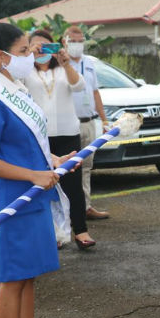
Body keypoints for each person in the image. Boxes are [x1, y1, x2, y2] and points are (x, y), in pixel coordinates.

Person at [0, 23, 76, 318]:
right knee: (12, 282)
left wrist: (53, 160)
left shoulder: (14, 87)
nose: (31, 56)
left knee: (27, 280)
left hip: (33, 198)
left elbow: (24, 143)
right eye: (24, 51)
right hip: (11, 205)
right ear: (2, 57)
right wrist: (33, 175)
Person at [24, 29, 97, 250]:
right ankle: (53, 233)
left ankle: (81, 231)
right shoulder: (25, 72)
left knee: (73, 185)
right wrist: (29, 58)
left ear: (55, 48)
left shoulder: (64, 69)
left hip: (67, 133)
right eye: (36, 46)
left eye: (46, 46)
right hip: (39, 136)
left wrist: (66, 63)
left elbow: (79, 86)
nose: (41, 51)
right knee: (45, 184)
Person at [63, 25, 109, 220]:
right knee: (68, 169)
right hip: (69, 125)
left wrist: (104, 119)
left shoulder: (89, 63)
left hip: (88, 121)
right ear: (64, 41)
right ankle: (67, 211)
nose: (77, 45)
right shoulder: (60, 64)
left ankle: (86, 206)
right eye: (73, 41)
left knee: (87, 167)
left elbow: (95, 91)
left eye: (80, 41)